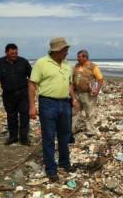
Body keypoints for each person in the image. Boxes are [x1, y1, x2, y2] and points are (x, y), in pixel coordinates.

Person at [28, 37, 77, 182]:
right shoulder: (41, 63)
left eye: (67, 50)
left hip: (65, 103)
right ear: (57, 50)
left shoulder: (68, 65)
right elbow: (32, 85)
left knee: (65, 135)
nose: (67, 53)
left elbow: (69, 84)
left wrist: (73, 99)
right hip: (47, 103)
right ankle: (51, 169)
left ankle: (65, 163)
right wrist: (32, 106)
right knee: (49, 137)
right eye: (65, 50)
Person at [0, 44, 32, 145]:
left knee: (24, 115)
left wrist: (34, 89)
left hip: (23, 93)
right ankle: (13, 137)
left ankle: (24, 138)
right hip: (8, 95)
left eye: (16, 53)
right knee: (11, 116)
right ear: (6, 53)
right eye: (12, 53)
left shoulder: (23, 62)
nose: (15, 55)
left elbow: (32, 76)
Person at [72, 49, 103, 135]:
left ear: (85, 57)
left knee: (89, 112)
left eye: (79, 57)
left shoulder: (93, 67)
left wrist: (97, 90)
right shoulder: (76, 66)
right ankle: (72, 129)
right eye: (77, 57)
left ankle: (90, 130)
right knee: (75, 111)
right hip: (77, 93)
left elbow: (100, 79)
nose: (77, 59)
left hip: (88, 93)